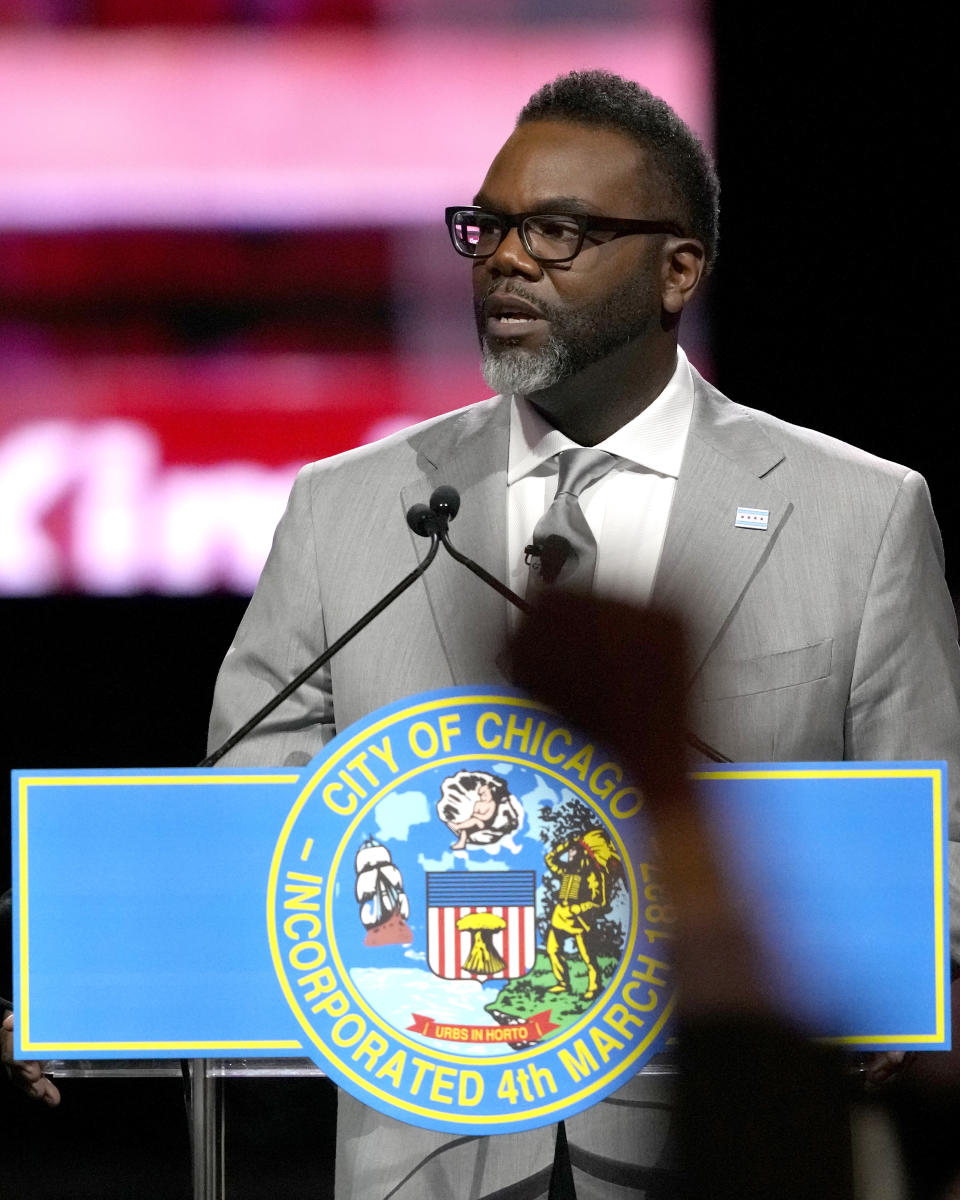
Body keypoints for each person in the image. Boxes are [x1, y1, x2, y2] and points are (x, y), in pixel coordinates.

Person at [180, 67, 960, 1196]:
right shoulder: (347, 508)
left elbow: (932, 843)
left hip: (721, 1146)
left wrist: (897, 992)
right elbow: (244, 818)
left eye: (555, 231)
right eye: (487, 227)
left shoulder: (860, 515)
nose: (504, 258)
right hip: (426, 1147)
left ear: (677, 268)